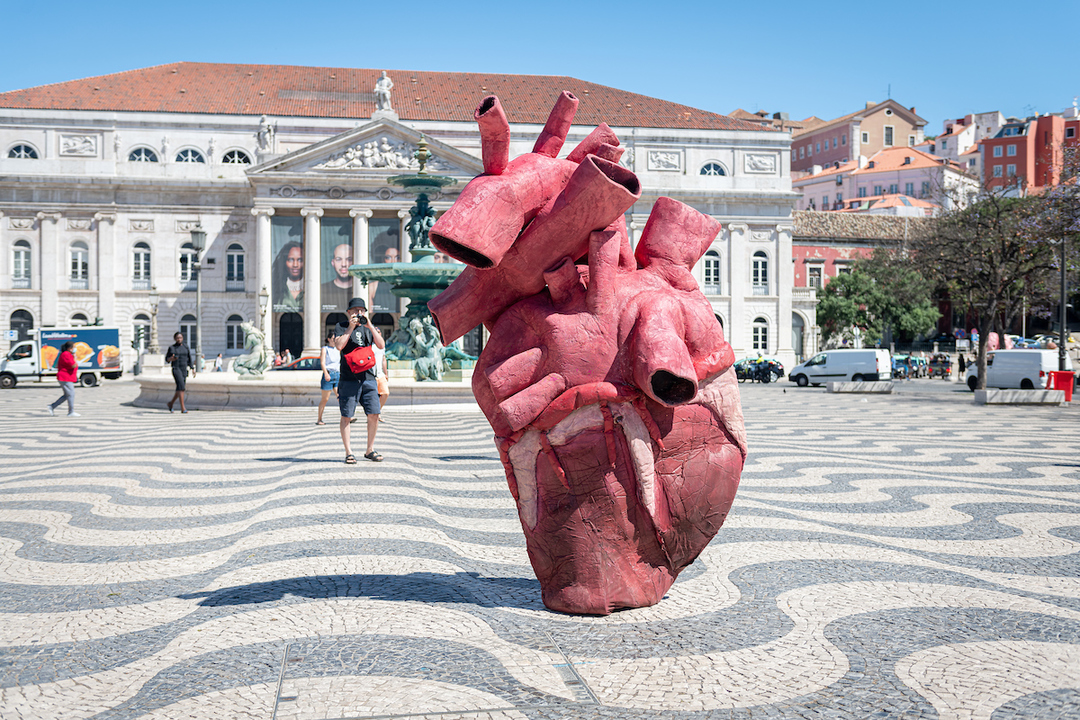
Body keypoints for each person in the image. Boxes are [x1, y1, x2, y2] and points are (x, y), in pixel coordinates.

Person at [334, 298, 385, 463]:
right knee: (346, 415)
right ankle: (348, 451)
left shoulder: (368, 329)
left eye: (361, 310)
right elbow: (339, 346)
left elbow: (381, 345)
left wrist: (369, 325)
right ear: (348, 312)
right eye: (355, 310)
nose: (358, 313)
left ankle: (370, 449)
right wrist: (350, 327)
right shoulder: (341, 326)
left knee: (374, 414)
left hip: (369, 378)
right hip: (348, 378)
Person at [46, 341, 79, 417]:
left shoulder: (67, 354)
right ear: (70, 348)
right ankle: (71, 412)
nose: (75, 349)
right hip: (65, 377)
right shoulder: (66, 354)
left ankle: (52, 406)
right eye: (74, 347)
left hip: (67, 377)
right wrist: (75, 358)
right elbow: (73, 365)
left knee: (67, 395)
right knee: (71, 394)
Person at [165, 332, 194, 413]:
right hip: (176, 368)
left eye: (180, 337)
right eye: (177, 338)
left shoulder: (185, 347)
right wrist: (171, 359)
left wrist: (192, 368)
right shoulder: (172, 348)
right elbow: (167, 359)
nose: (179, 339)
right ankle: (183, 408)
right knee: (181, 387)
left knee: (180, 388)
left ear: (183, 338)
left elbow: (189, 358)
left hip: (184, 369)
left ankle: (170, 403)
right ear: (175, 339)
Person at [272, 241, 304, 312]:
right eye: (291, 260)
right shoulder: (276, 287)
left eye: (300, 260)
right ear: (284, 262)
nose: (295, 265)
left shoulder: (313, 288)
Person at [320, 242, 353, 312]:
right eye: (339, 259)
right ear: (333, 263)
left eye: (348, 259)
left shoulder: (364, 290)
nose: (344, 264)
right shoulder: (321, 290)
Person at [317, 330, 340, 426]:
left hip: (337, 374)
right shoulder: (325, 349)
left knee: (341, 397)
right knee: (325, 399)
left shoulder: (338, 349)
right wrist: (326, 373)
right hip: (329, 374)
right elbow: (322, 362)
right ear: (329, 339)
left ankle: (348, 416)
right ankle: (319, 418)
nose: (335, 341)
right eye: (334, 339)